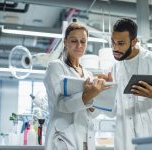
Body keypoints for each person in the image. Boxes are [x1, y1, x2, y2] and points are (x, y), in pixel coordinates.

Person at [102, 18, 152, 150]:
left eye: (121, 43)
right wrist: (105, 94)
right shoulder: (113, 70)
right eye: (113, 42)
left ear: (134, 41)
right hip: (126, 140)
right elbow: (112, 112)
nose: (115, 48)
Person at [43, 22, 107, 150]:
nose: (79, 45)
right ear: (65, 41)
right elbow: (61, 105)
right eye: (74, 41)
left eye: (83, 41)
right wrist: (87, 95)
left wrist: (100, 96)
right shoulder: (56, 67)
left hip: (85, 139)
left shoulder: (88, 74)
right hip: (64, 138)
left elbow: (91, 114)